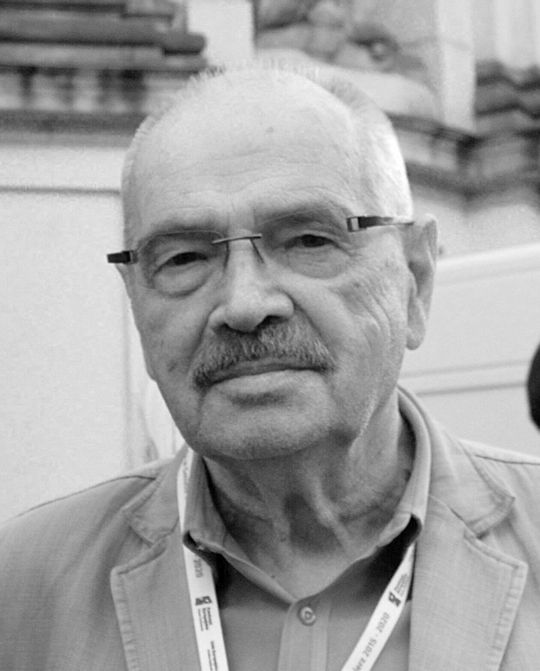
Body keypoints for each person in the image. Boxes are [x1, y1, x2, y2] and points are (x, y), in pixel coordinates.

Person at [1, 64, 540, 671]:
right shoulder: (23, 589)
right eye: (184, 258)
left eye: (309, 240)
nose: (244, 304)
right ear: (136, 300)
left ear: (414, 281)